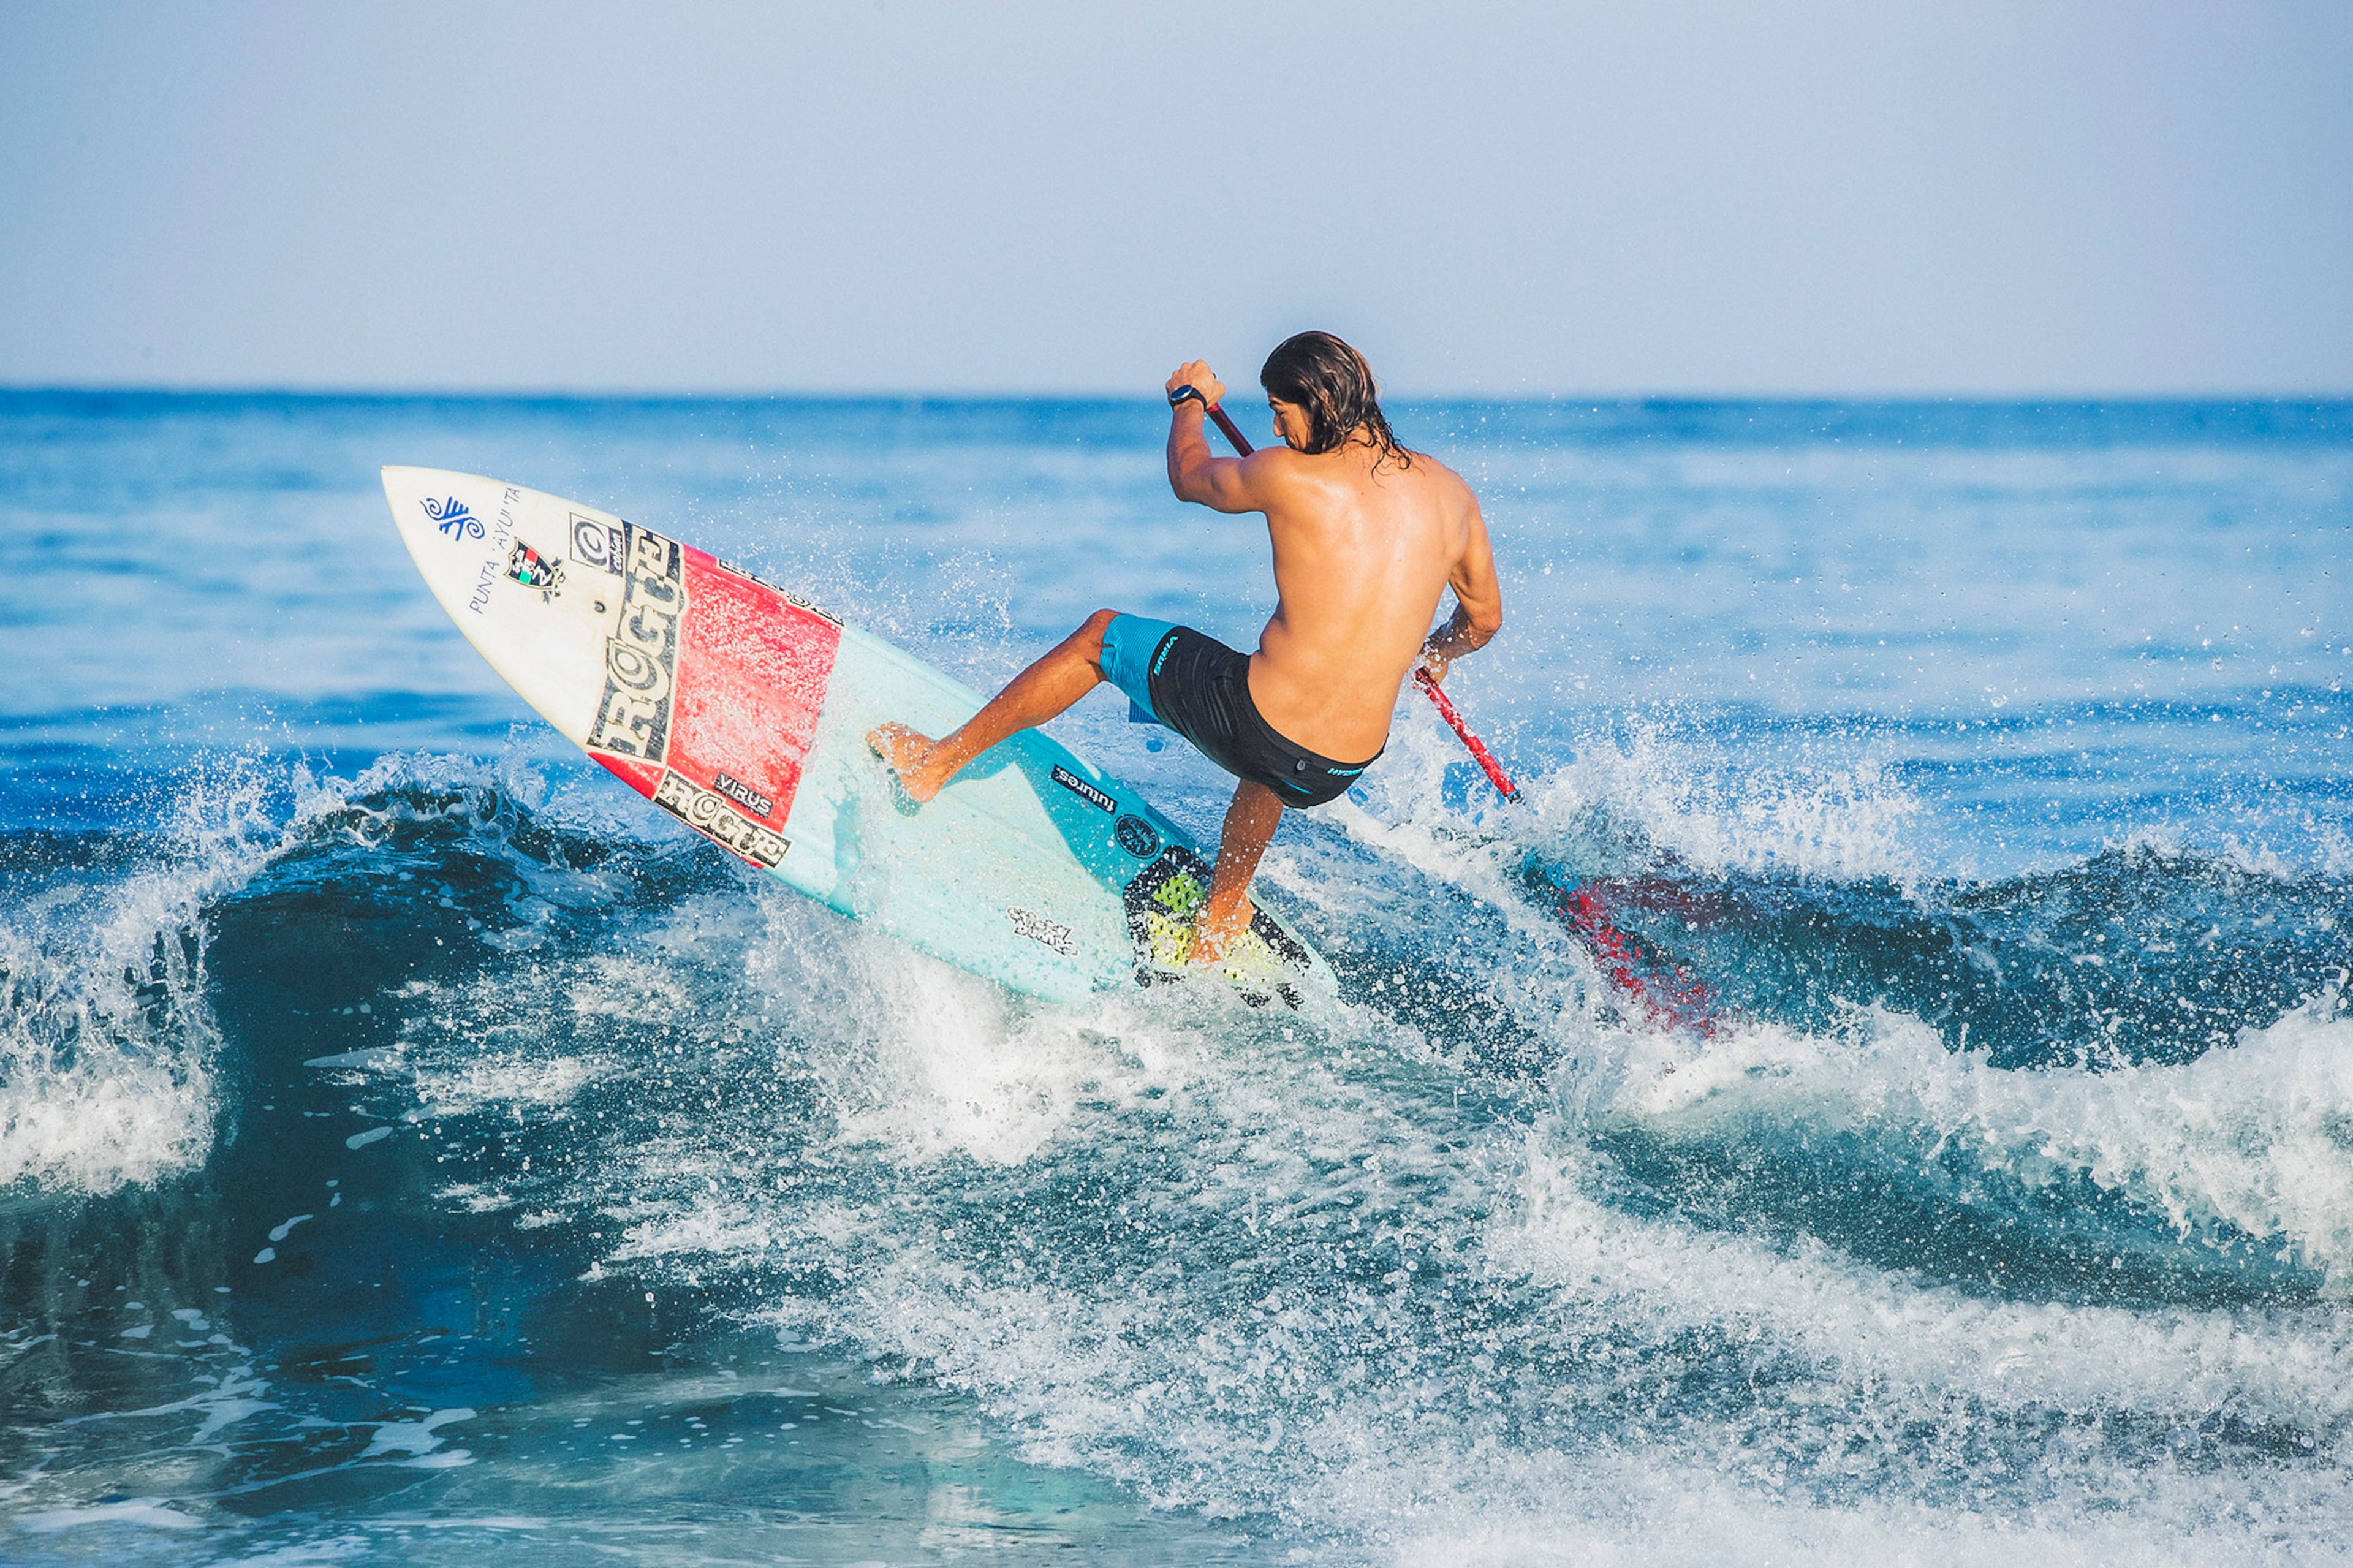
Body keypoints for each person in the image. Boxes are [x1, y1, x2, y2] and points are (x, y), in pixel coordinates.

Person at [869, 330, 1502, 963]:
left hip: (1258, 726)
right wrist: (1436, 653)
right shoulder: (1452, 496)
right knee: (1281, 749)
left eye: (1281, 414)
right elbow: (1483, 620)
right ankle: (1221, 911)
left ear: (1321, 401)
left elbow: (1190, 476)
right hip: (1339, 768)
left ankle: (935, 764)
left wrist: (1189, 405)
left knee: (1100, 637)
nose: (1277, 433)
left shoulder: (1286, 476)